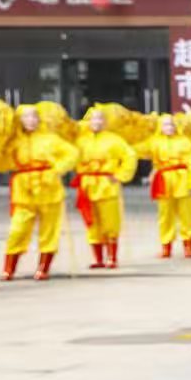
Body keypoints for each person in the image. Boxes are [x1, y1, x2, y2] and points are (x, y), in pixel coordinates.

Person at [2, 105, 77, 282]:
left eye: (34, 117)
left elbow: (72, 153)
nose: (31, 120)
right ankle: (9, 268)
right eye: (26, 117)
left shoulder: (51, 139)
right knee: (18, 229)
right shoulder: (14, 141)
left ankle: (44, 267)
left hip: (49, 188)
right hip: (24, 190)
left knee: (49, 230)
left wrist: (57, 169)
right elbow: (4, 162)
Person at [75, 108, 137, 270]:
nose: (96, 122)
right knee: (92, 223)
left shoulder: (115, 140)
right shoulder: (80, 140)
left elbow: (130, 156)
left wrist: (120, 175)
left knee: (110, 222)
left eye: (100, 119)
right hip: (87, 185)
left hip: (107, 185)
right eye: (92, 119)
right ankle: (98, 258)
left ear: (106, 121)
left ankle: (112, 257)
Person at [140, 114, 191, 259]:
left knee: (187, 214)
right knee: (165, 215)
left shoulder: (185, 142)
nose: (169, 127)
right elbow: (138, 150)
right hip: (163, 181)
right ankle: (166, 246)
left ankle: (188, 244)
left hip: (182, 180)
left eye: (172, 124)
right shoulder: (154, 142)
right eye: (166, 125)